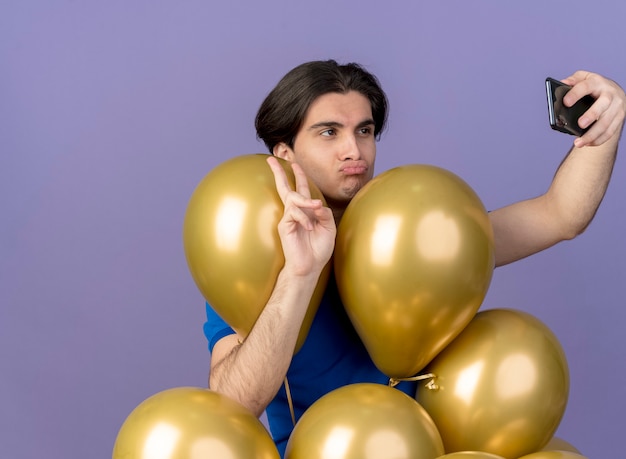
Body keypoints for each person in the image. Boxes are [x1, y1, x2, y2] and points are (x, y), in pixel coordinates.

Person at [203, 60, 625, 456]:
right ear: (284, 155)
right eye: (329, 132)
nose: (354, 150)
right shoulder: (250, 260)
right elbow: (231, 408)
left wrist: (603, 129)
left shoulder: (416, 234)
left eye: (364, 131)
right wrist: (299, 274)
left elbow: (560, 215)